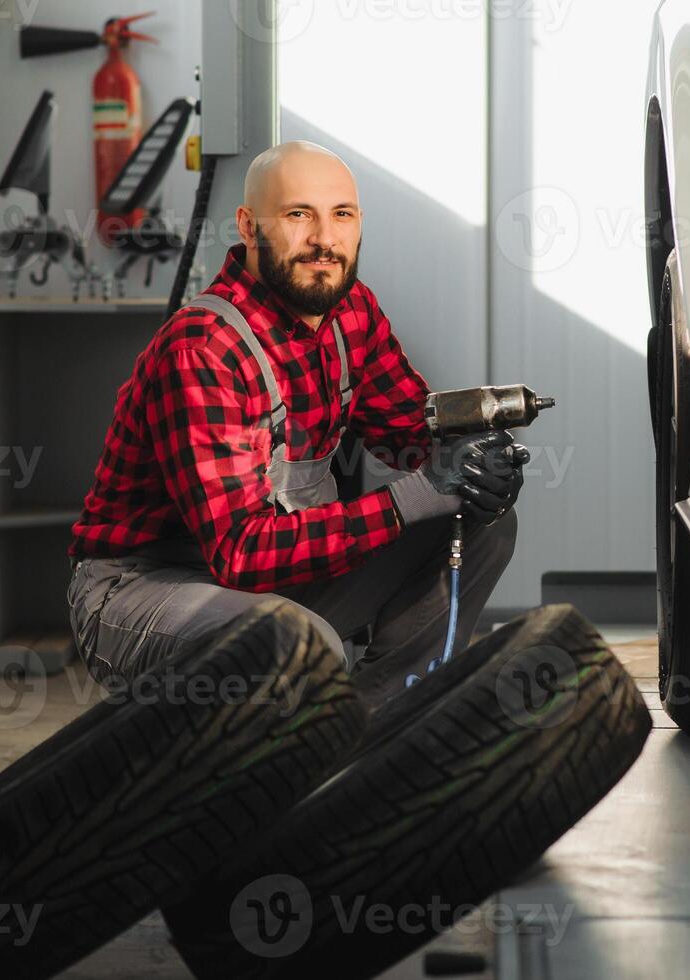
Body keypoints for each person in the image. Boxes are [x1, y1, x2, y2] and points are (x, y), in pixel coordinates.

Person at [66, 140, 523, 710]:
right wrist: (417, 494)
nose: (324, 240)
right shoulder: (205, 348)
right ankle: (288, 759)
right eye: (298, 214)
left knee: (483, 522)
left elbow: (412, 435)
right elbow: (239, 552)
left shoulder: (351, 312)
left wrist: (475, 462)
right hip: (144, 590)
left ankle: (373, 739)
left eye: (342, 215)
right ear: (248, 225)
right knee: (305, 647)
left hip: (275, 579)